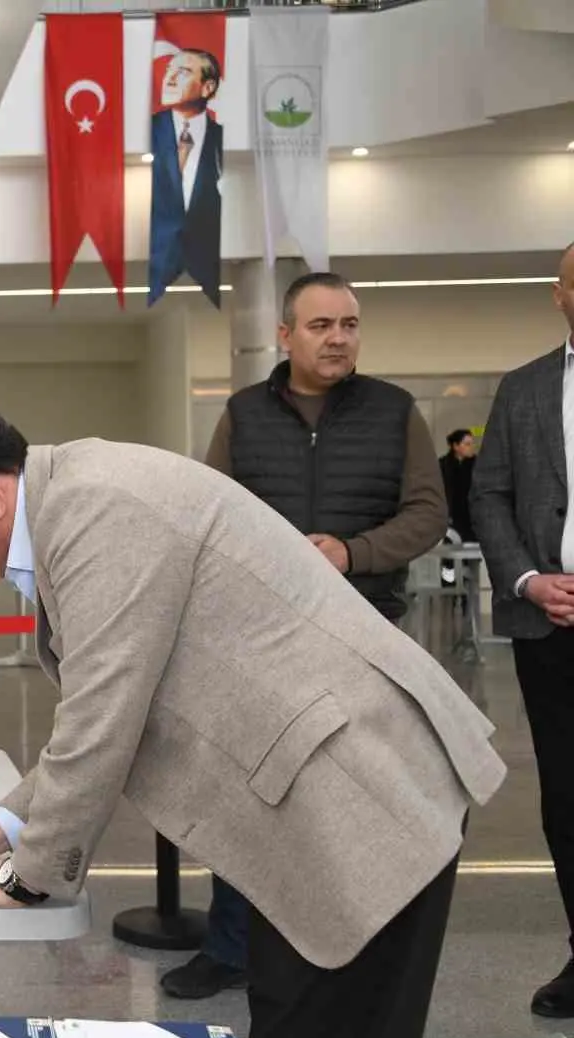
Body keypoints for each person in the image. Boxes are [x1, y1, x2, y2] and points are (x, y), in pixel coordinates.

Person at [0, 397, 504, 1038]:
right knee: (294, 1030)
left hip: (362, 794)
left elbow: (102, 717)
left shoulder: (98, 509)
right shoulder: (75, 499)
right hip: (317, 798)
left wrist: (20, 877)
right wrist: (2, 827)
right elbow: (110, 707)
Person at [167, 270, 449, 999]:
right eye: (322, 326)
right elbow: (210, 513)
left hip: (364, 635)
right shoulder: (242, 414)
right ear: (285, 335)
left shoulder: (395, 412)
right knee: (250, 795)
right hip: (262, 642)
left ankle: (341, 942)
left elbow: (426, 514)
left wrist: (352, 553)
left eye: (350, 325)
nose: (339, 339)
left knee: (350, 798)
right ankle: (231, 948)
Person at [471, 240, 574, 1018]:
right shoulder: (525, 389)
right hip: (551, 628)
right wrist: (530, 580)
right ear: (559, 293)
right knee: (566, 798)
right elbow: (491, 496)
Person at [148, 49, 223, 305]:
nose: (169, 78)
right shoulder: (149, 132)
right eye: (169, 70)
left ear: (208, 87)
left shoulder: (219, 138)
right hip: (162, 250)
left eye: (183, 72)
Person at [439, 428, 477, 543]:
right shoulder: (443, 465)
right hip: (451, 517)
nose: (471, 447)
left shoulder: (476, 465)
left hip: (471, 517)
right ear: (455, 446)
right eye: (467, 444)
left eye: (471, 444)